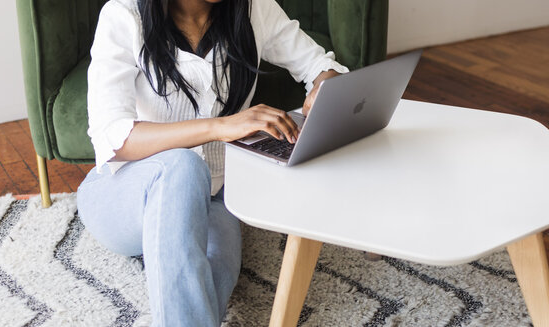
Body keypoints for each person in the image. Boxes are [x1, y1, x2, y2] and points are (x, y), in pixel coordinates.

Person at [75, 0, 348, 325]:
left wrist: (324, 88)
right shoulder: (123, 16)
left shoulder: (253, 9)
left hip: (214, 198)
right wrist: (220, 126)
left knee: (216, 272)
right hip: (124, 195)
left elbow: (319, 66)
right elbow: (113, 136)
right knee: (183, 165)